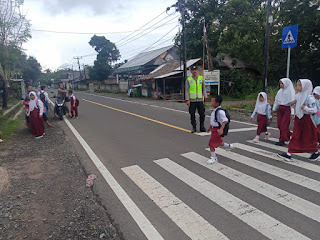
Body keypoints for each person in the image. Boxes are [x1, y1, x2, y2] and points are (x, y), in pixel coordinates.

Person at [278, 79, 319, 161]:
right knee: (295, 136)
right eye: (298, 85)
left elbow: (314, 110)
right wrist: (293, 105)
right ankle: (289, 153)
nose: (298, 87)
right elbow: (296, 107)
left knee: (309, 137)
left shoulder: (309, 98)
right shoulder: (297, 96)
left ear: (305, 87)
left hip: (307, 120)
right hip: (299, 119)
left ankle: (316, 152)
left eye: (300, 85)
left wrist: (305, 108)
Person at [206, 95, 234, 164]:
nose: (211, 103)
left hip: (217, 130)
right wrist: (210, 127)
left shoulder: (220, 112)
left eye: (212, 101)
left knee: (211, 144)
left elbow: (224, 120)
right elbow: (213, 121)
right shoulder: (214, 110)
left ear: (217, 103)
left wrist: (221, 129)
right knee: (219, 142)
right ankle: (229, 146)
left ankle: (213, 158)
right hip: (214, 129)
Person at [272, 78, 295, 146]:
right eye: (280, 83)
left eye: (282, 83)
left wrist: (292, 113)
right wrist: (274, 109)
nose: (281, 85)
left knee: (284, 125)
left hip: (287, 109)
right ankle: (288, 135)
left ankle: (282, 139)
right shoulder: (280, 91)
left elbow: (292, 103)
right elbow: (276, 100)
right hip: (280, 109)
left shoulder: (290, 91)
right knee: (279, 124)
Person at [185, 65, 207, 133]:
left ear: (197, 71)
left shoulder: (201, 78)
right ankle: (194, 127)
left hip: (200, 100)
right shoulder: (189, 79)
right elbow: (187, 90)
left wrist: (205, 96)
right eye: (193, 70)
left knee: (202, 114)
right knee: (192, 114)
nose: (194, 71)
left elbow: (203, 88)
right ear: (191, 71)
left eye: (195, 70)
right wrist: (187, 99)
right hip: (192, 100)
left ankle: (202, 126)